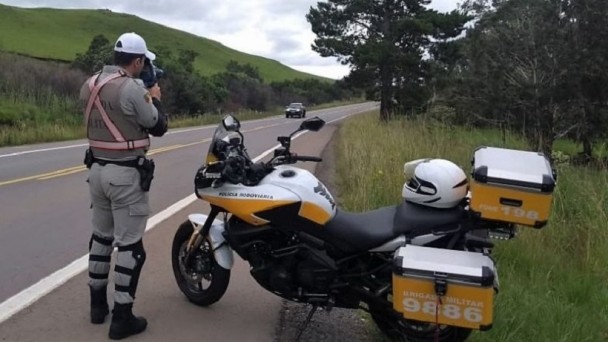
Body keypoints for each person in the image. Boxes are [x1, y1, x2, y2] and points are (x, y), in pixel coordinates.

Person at [79, 32, 168, 340]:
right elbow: (159, 126)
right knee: (130, 247)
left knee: (101, 240)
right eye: (144, 63)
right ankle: (122, 317)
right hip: (126, 174)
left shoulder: (90, 85)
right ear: (138, 60)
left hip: (97, 171)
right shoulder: (132, 89)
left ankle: (96, 307)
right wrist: (153, 96)